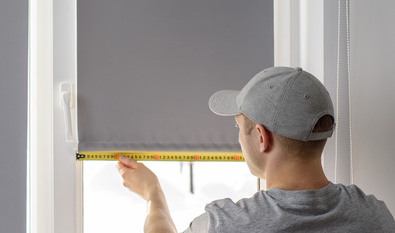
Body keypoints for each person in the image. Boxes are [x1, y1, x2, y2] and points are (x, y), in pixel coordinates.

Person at [115, 66, 395, 232]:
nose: (238, 138)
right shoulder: (375, 218)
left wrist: (154, 195)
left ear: (261, 137)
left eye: (239, 127)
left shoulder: (226, 225)